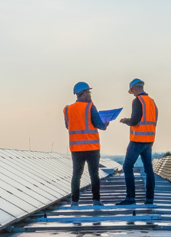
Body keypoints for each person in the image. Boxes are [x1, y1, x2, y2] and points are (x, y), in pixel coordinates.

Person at [64, 82, 109, 207]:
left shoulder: (67, 109)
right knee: (94, 174)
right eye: (88, 92)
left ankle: (74, 202)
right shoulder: (90, 107)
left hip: (76, 148)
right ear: (83, 93)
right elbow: (100, 125)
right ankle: (96, 200)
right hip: (91, 147)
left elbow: (68, 126)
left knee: (76, 175)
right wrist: (105, 124)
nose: (89, 94)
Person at [116, 78, 158, 206]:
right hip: (149, 140)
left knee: (127, 167)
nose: (132, 93)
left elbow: (135, 120)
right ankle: (149, 199)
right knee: (148, 169)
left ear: (134, 88)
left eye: (132, 91)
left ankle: (130, 198)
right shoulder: (151, 102)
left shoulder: (137, 101)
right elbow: (154, 119)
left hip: (137, 140)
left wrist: (124, 121)